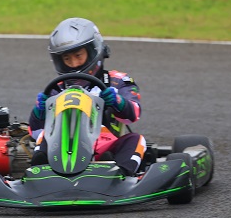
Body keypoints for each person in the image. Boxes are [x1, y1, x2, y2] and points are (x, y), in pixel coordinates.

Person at [28, 17, 146, 176]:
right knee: (44, 136)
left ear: (93, 52)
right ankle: (39, 172)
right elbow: (35, 133)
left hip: (106, 145)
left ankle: (119, 174)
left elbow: (134, 114)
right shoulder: (56, 89)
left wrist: (117, 102)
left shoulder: (117, 81)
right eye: (67, 59)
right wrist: (39, 112)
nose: (73, 64)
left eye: (78, 56)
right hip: (62, 147)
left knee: (137, 140)